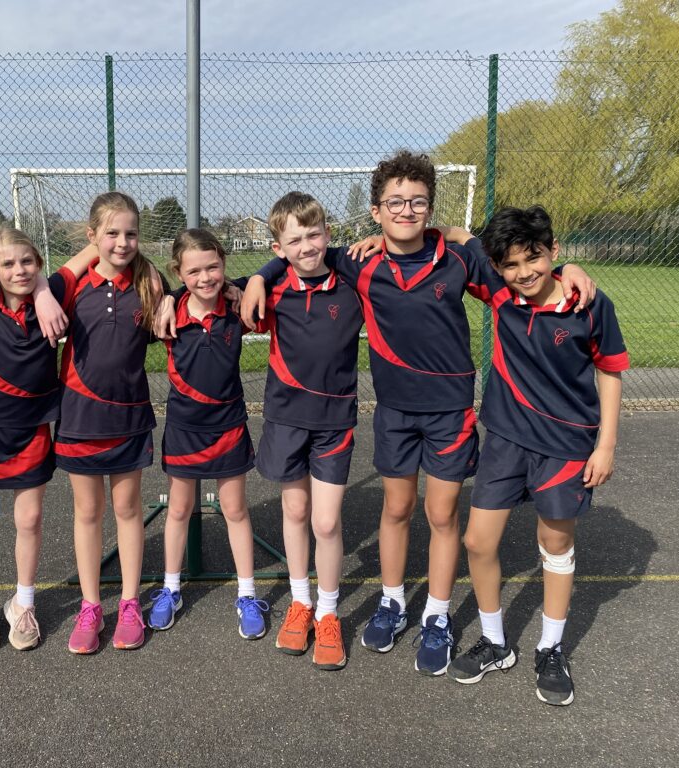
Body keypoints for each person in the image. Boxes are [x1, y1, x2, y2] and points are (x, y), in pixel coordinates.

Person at [241, 151, 594, 676]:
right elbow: (299, 254)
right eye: (395, 201)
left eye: (417, 201)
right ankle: (391, 602)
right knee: (397, 509)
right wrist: (258, 276)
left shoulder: (458, 260)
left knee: (442, 514)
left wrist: (566, 269)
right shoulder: (358, 260)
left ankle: (437, 613)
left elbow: (521, 272)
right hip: (394, 410)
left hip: (450, 410)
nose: (406, 209)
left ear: (430, 206)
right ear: (376, 210)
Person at [446, 205, 627, 706]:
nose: (524, 273)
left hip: (567, 445)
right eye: (510, 264)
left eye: (535, 259)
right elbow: (453, 233)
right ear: (497, 267)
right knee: (478, 542)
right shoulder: (500, 291)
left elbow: (609, 371)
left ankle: (550, 647)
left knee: (554, 543)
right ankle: (495, 642)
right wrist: (382, 238)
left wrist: (606, 445)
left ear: (554, 251)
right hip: (506, 439)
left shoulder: (588, 304)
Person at [240, 192, 363, 670]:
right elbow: (203, 287)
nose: (308, 245)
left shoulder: (353, 281)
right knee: (294, 511)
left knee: (326, 522)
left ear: (328, 235)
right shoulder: (270, 289)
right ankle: (300, 602)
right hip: (287, 418)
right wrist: (256, 277)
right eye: (295, 239)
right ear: (278, 247)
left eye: (315, 235)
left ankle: (329, 613)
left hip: (335, 422)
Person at [0, 227, 97, 653]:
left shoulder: (52, 292)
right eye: (7, 264)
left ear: (39, 262)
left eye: (27, 262)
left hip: (34, 428)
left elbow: (94, 249)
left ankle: (23, 603)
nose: (18, 270)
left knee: (30, 520)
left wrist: (42, 289)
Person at [55, 191, 165, 655]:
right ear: (92, 236)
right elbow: (21, 284)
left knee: (127, 510)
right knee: (87, 512)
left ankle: (127, 604)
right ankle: (89, 605)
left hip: (128, 417)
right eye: (112, 233)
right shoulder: (67, 285)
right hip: (79, 417)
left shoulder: (149, 286)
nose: (122, 242)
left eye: (131, 233)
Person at [147, 228, 268, 639]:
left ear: (224, 264)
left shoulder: (238, 309)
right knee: (179, 510)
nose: (205, 277)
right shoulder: (168, 314)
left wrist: (244, 284)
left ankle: (248, 594)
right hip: (184, 426)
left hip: (229, 425)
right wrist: (166, 294)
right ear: (179, 273)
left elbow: (281, 270)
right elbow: (136, 269)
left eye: (213, 267)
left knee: (235, 509)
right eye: (193, 271)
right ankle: (170, 589)